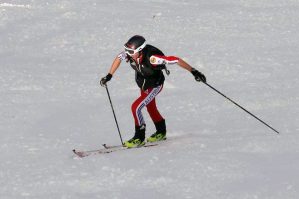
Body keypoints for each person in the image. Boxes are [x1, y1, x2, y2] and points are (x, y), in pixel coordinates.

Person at [100, 35, 206, 148]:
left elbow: (175, 60)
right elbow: (118, 58)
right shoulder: (130, 54)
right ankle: (161, 132)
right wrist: (109, 75)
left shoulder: (153, 58)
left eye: (130, 50)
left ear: (140, 50)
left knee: (136, 107)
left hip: (155, 85)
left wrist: (194, 71)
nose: (127, 52)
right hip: (143, 85)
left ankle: (139, 138)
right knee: (151, 108)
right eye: (126, 49)